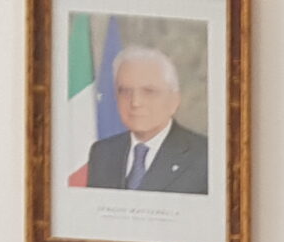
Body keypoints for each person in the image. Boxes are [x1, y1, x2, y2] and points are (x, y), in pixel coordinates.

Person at [85, 47, 208, 194]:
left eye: (149, 91)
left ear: (174, 100)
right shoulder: (102, 153)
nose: (135, 102)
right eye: (125, 91)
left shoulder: (205, 156)